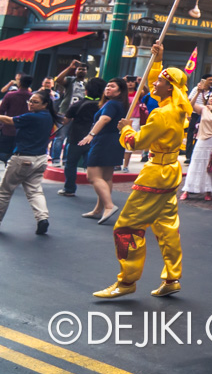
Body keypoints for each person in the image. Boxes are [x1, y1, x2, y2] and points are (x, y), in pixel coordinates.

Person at [94, 45, 189, 299]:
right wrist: (157, 59)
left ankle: (126, 281)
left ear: (169, 87)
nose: (153, 83)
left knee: (127, 228)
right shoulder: (177, 107)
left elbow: (134, 144)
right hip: (169, 171)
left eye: (159, 80)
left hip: (155, 174)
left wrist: (125, 128)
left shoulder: (161, 114)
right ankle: (172, 276)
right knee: (166, 226)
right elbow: (158, 83)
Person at [0, 88, 56, 234]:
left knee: (5, 191)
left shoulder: (33, 117)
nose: (31, 104)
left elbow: (9, 120)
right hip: (40, 159)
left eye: (35, 102)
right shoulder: (48, 116)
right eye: (30, 101)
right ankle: (42, 218)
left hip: (23, 158)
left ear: (45, 104)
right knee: (35, 191)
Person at [79, 78, 129, 223]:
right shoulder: (119, 104)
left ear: (120, 91)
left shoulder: (112, 104)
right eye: (107, 85)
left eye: (112, 86)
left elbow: (104, 119)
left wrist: (91, 134)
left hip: (104, 141)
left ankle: (108, 206)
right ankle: (98, 209)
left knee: (93, 176)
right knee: (106, 177)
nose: (108, 88)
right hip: (114, 141)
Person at [58, 78, 105, 196]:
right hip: (96, 140)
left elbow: (65, 121)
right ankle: (101, 190)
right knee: (93, 165)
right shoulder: (105, 106)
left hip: (76, 139)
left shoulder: (78, 104)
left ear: (86, 90)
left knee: (71, 164)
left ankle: (69, 189)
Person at [181, 89, 212, 201]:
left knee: (211, 166)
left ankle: (208, 191)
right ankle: (187, 190)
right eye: (210, 96)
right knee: (196, 164)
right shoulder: (203, 108)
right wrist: (198, 91)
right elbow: (190, 105)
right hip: (202, 139)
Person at [0, 73, 34, 165]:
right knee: (17, 155)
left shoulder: (10, 95)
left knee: (3, 153)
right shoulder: (32, 97)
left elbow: (1, 111)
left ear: (19, 83)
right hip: (25, 131)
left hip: (8, 128)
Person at [186, 74, 212, 162]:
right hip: (194, 114)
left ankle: (195, 154)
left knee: (200, 134)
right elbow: (189, 100)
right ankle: (188, 155)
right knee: (191, 134)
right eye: (209, 80)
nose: (211, 81)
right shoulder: (196, 89)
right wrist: (188, 113)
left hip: (205, 114)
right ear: (203, 80)